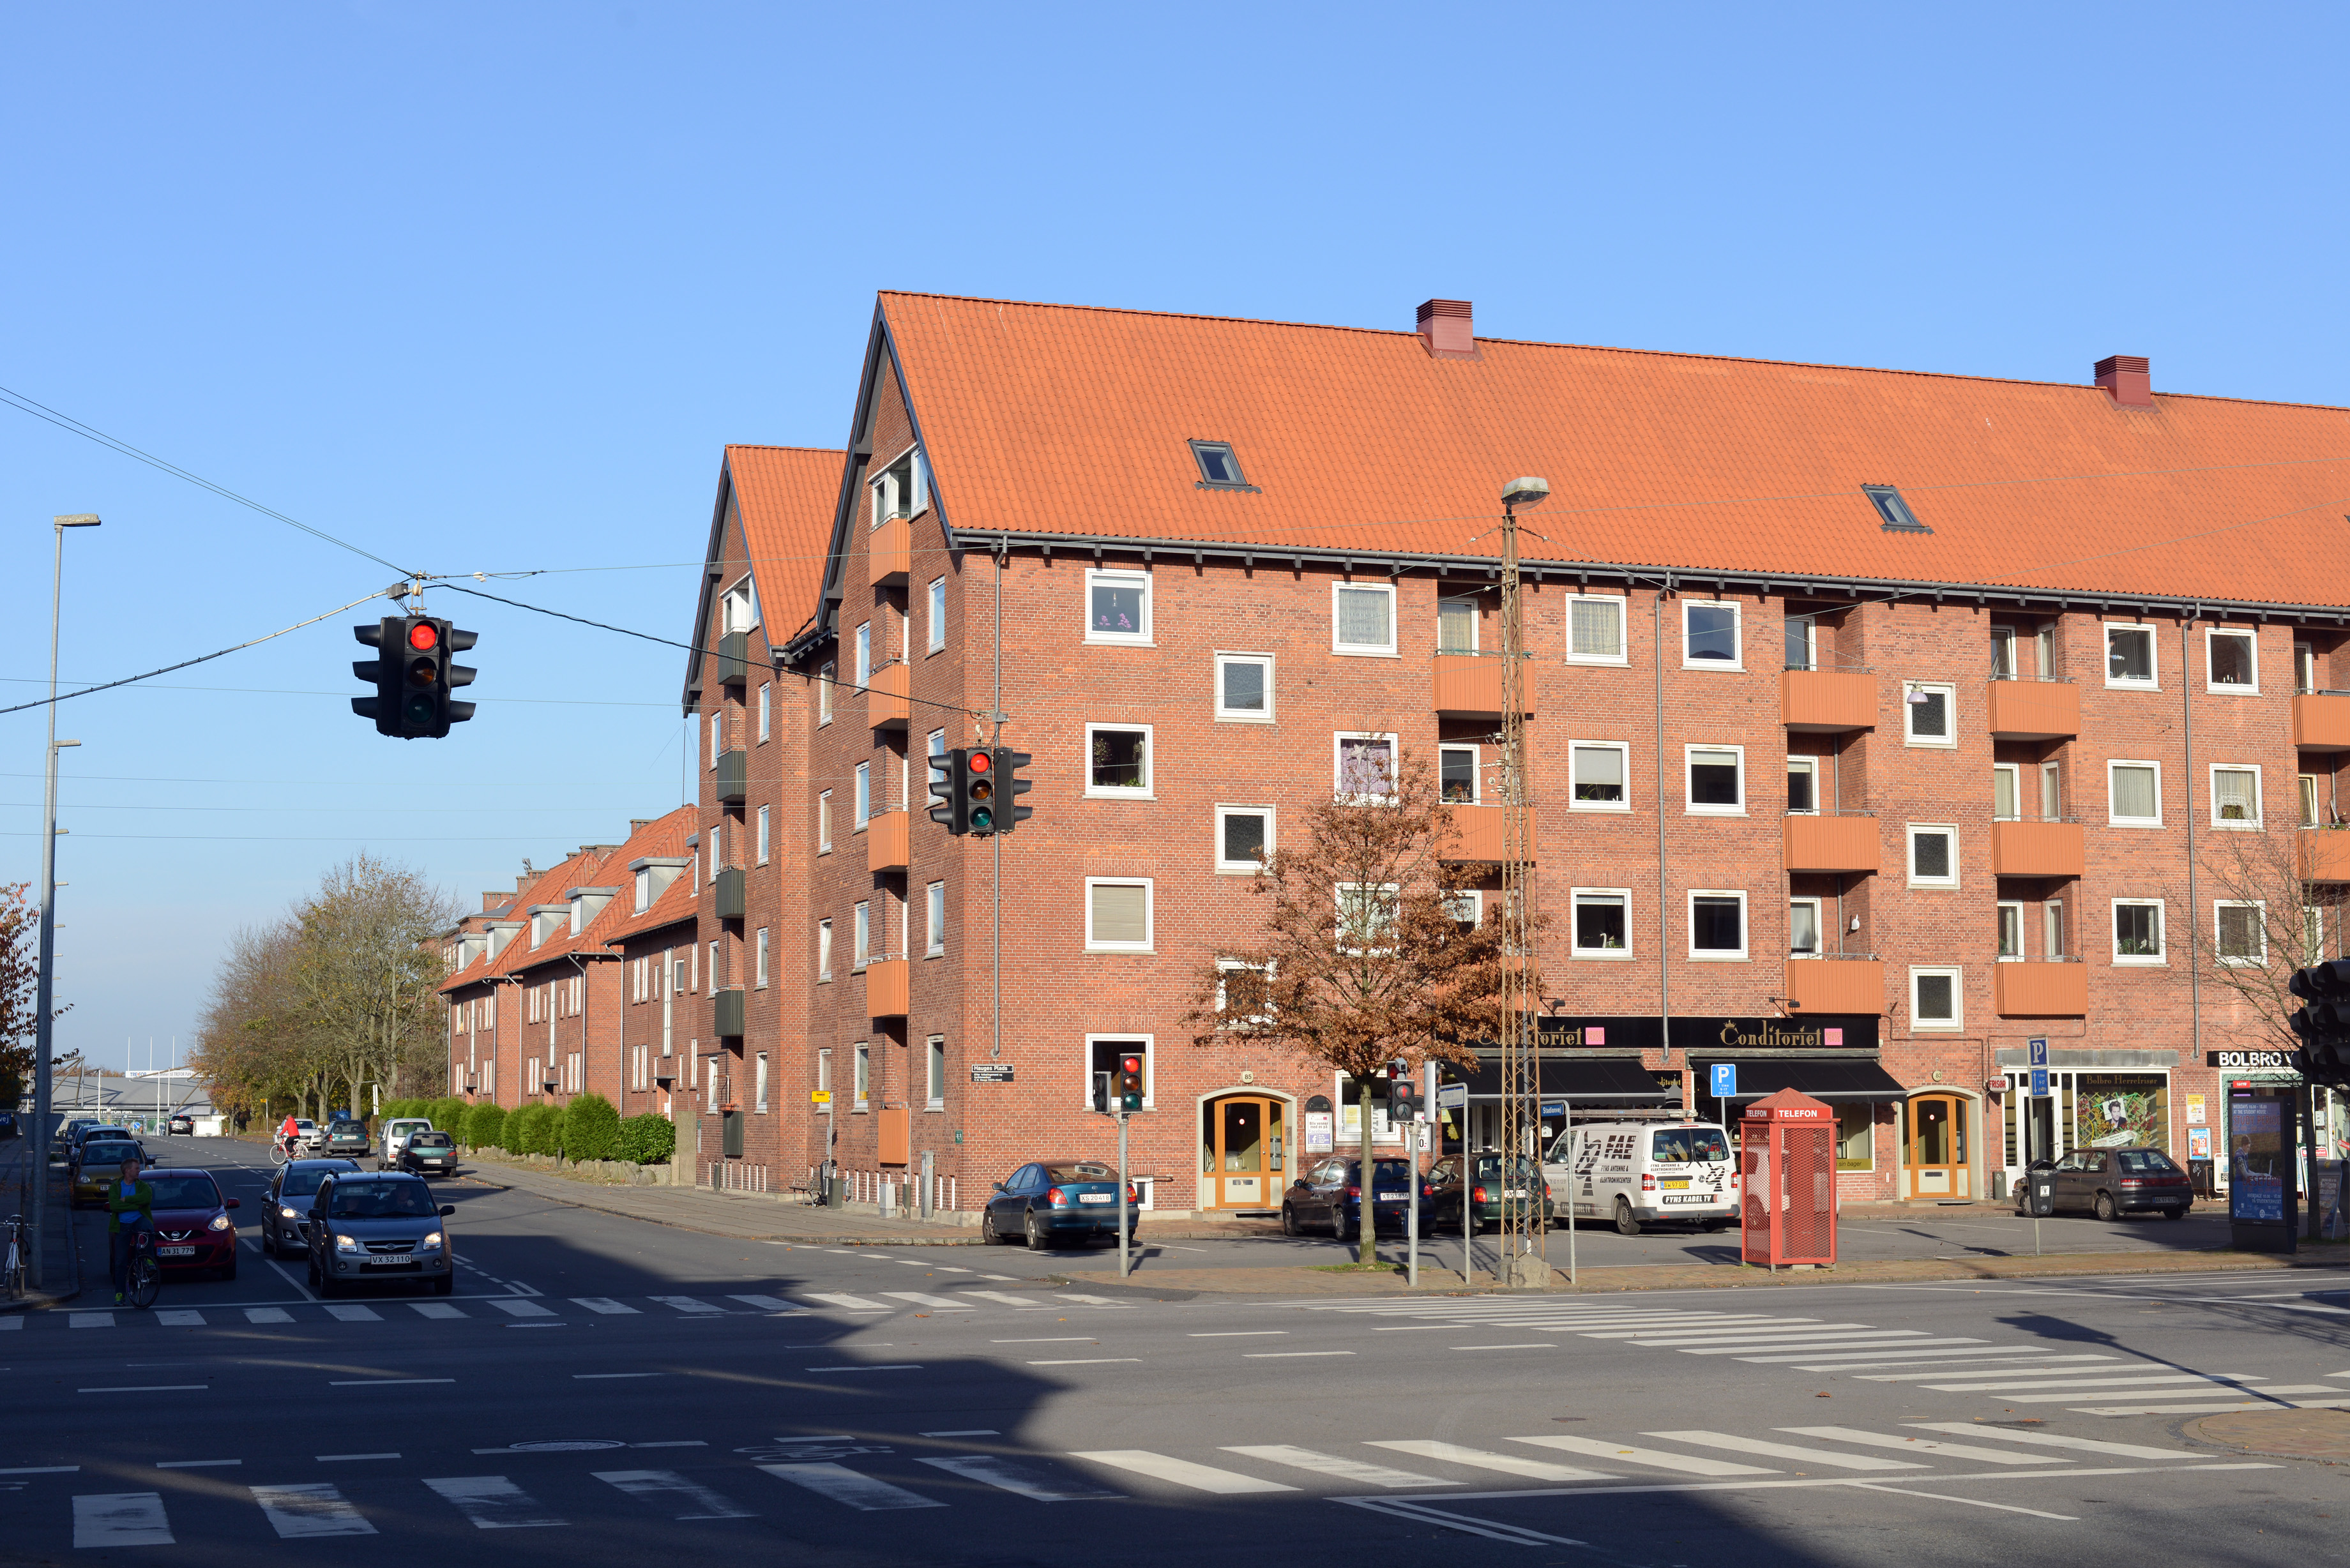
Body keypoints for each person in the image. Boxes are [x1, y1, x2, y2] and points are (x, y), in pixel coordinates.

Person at [107, 1154, 156, 1306]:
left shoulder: (142, 1186)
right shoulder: (116, 1187)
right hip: (122, 1225)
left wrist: (127, 1200)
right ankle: (120, 1294)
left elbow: (146, 1199)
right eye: (136, 1169)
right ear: (127, 1171)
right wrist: (136, 1205)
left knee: (148, 1227)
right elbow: (114, 1206)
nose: (139, 1171)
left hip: (138, 1220)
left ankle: (147, 1258)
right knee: (120, 1262)